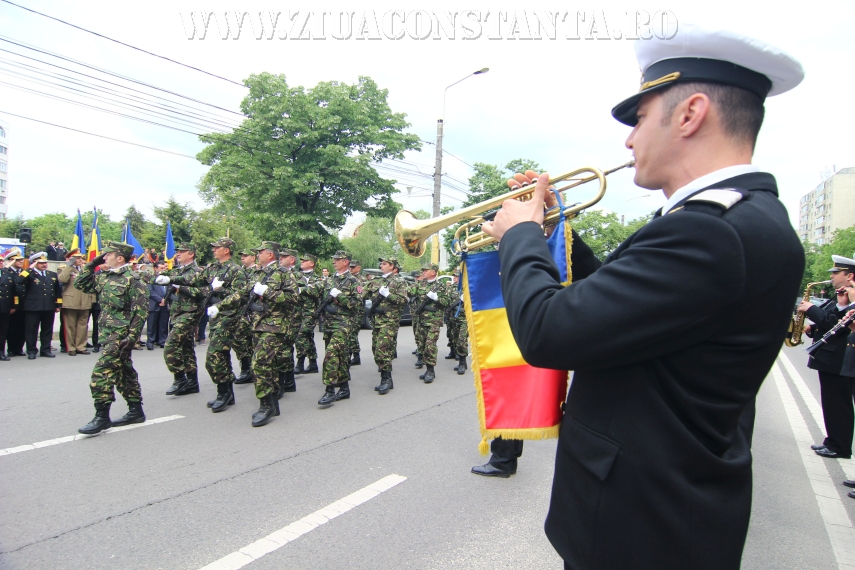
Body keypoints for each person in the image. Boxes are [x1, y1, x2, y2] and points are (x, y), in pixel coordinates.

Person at [479, 24, 805, 569]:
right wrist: (558, 231)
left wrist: (519, 236)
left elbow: (549, 331)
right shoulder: (734, 218)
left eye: (639, 119)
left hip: (639, 526)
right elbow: (627, 305)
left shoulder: (712, 229)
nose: (629, 141)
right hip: (662, 514)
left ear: (690, 113)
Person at [215, 241, 300, 426]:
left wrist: (268, 292)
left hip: (275, 327)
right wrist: (218, 306)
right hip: (257, 325)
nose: (257, 255)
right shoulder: (257, 274)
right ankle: (273, 404)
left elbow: (293, 298)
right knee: (267, 365)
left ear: (270, 255)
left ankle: (266, 406)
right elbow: (241, 294)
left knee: (259, 364)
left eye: (260, 252)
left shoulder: (284, 273)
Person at [160, 238, 248, 412]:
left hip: (229, 317)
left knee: (213, 356)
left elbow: (241, 295)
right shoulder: (212, 269)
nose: (214, 250)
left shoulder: (236, 270)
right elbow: (193, 279)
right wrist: (168, 278)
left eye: (217, 248)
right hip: (215, 317)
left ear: (227, 250)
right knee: (220, 356)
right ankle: (225, 392)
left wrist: (219, 291)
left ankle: (224, 392)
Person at [75, 241, 148, 434]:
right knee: (124, 372)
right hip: (107, 334)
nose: (104, 257)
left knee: (101, 373)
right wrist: (92, 265)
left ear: (120, 257)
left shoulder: (133, 279)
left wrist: (132, 337)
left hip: (120, 335)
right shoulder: (104, 277)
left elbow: (140, 311)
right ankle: (136, 410)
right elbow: (80, 283)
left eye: (108, 255)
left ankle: (102, 416)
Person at [800, 255, 855, 459]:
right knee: (832, 403)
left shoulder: (852, 296)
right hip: (831, 358)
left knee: (838, 404)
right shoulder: (841, 294)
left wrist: (811, 309)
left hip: (840, 359)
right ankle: (833, 441)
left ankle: (839, 445)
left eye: (835, 273)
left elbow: (837, 324)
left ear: (849, 275)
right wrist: (812, 327)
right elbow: (833, 320)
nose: (831, 276)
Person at [304, 250, 361, 407]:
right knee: (340, 356)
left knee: (331, 355)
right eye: (334, 259)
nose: (334, 262)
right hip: (329, 324)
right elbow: (315, 289)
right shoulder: (330, 280)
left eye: (337, 260)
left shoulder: (353, 281)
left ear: (346, 262)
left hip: (343, 325)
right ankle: (344, 388)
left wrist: (340, 296)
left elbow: (356, 305)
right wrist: (299, 290)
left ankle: (329, 390)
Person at [158, 243, 207, 396]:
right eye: (178, 252)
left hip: (190, 312)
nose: (178, 254)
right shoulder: (177, 271)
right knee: (186, 347)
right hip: (176, 312)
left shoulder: (198, 272)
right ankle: (192, 382)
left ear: (191, 254)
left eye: (182, 252)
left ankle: (179, 378)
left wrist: (181, 287)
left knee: (171, 345)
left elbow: (203, 292)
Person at [364, 257, 408, 395]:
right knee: (375, 349)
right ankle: (386, 375)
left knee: (382, 349)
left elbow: (403, 301)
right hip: (377, 320)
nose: (381, 265)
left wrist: (388, 295)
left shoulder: (399, 282)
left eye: (384, 264)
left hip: (390, 321)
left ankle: (386, 380)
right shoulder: (376, 281)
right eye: (381, 263)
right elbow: (362, 293)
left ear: (392, 266)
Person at [410, 264, 455, 383]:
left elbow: (447, 302)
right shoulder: (419, 284)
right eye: (423, 270)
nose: (423, 272)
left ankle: (430, 370)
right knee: (423, 345)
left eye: (426, 270)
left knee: (430, 345)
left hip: (434, 320)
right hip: (421, 320)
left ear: (434, 272)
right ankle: (427, 369)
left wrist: (437, 298)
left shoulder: (441, 287)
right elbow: (409, 292)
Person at [18, 252, 62, 359]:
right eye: (41, 263)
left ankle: (45, 349)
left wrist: (58, 304)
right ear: (35, 263)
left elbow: (57, 291)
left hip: (48, 306)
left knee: (47, 329)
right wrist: (29, 268)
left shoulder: (52, 274)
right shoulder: (29, 274)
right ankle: (31, 350)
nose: (44, 265)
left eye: (45, 263)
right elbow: (19, 280)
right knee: (32, 330)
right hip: (33, 307)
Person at [58, 249, 95, 356]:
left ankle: (81, 346)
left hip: (85, 301)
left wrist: (92, 299)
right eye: (77, 258)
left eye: (80, 258)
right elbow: (62, 280)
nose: (80, 259)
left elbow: (91, 285)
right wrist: (69, 267)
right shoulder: (64, 269)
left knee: (83, 326)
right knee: (70, 326)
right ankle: (71, 347)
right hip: (71, 301)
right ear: (71, 259)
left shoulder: (85, 270)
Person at [233, 250, 258, 384]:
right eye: (241, 256)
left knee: (253, 340)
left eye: (245, 255)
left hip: (253, 311)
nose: (242, 258)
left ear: (253, 257)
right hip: (240, 310)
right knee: (239, 339)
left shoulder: (257, 272)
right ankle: (246, 367)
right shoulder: (239, 271)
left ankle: (253, 369)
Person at [295, 253, 321, 375]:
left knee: (301, 335)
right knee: (308, 337)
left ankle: (300, 363)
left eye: (305, 261)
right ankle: (313, 363)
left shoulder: (318, 279)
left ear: (312, 263)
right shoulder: (296, 276)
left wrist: (304, 289)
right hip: (297, 311)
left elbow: (316, 291)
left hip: (311, 312)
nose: (302, 262)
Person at [2, 249, 25, 358]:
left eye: (21, 260)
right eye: (18, 260)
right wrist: (13, 305)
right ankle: (11, 348)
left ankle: (19, 348)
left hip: (22, 304)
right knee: (11, 328)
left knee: (22, 328)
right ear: (11, 260)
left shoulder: (24, 271)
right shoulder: (7, 272)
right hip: (8, 305)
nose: (21, 262)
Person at [146, 261, 170, 349]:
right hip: (154, 304)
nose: (163, 270)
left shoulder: (167, 278)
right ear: (155, 268)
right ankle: (150, 342)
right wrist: (160, 299)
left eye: (164, 268)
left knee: (163, 324)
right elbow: (150, 291)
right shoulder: (151, 278)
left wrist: (165, 299)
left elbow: (169, 290)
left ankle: (162, 341)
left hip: (165, 304)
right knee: (152, 325)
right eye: (161, 268)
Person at [347, 259, 364, 365]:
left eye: (353, 267)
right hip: (349, 310)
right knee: (349, 333)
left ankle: (355, 355)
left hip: (358, 310)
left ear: (358, 268)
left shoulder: (361, 280)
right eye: (350, 267)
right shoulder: (348, 278)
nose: (350, 269)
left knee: (353, 333)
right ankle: (352, 355)